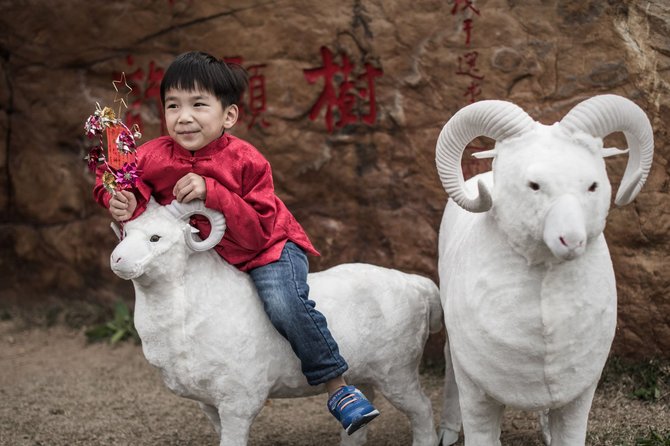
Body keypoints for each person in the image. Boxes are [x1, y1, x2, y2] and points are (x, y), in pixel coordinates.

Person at [94, 51, 379, 435]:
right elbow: (121, 181)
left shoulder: (247, 161)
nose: (184, 116)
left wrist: (212, 192)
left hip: (266, 248)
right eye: (173, 105)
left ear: (228, 115)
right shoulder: (152, 156)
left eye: (199, 105)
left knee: (283, 301)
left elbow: (258, 228)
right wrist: (117, 199)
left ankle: (336, 385)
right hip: (208, 256)